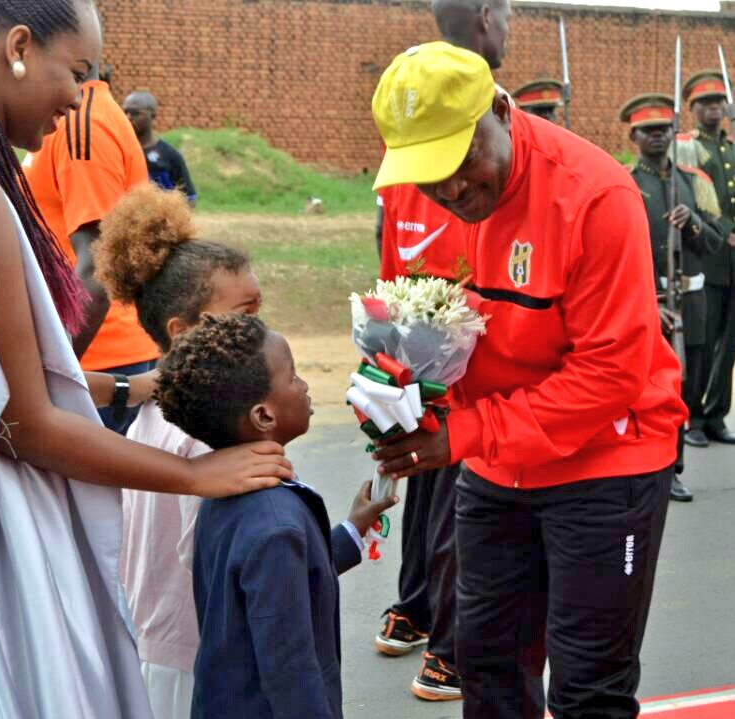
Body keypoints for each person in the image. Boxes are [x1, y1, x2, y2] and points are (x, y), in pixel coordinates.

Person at [0, 2, 292, 716]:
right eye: (76, 71)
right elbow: (22, 426)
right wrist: (194, 475)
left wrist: (121, 390)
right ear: (19, 47)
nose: (78, 99)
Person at [371, 43, 686, 719]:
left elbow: (610, 374)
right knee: (486, 666)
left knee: (588, 684)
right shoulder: (408, 193)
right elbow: (408, 317)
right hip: (496, 464)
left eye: (462, 160)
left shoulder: (595, 194)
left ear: (500, 110)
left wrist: (463, 434)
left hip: (607, 457)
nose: (448, 189)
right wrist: (394, 395)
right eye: (427, 173)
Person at [154, 313, 398, 719]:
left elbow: (282, 580)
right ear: (264, 416)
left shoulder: (224, 493)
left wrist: (353, 530)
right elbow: (291, 671)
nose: (304, 386)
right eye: (293, 376)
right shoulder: (275, 523)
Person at [372, 0, 511, 703]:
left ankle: (413, 611)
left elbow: (388, 255)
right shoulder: (492, 127)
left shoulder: (408, 126)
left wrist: (388, 349)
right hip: (465, 349)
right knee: (456, 499)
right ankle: (448, 650)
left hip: (419, 341)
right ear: (488, 15)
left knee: (427, 490)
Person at [95, 182, 263, 719]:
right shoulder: (207, 432)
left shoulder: (153, 411)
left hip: (153, 644)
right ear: (184, 330)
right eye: (245, 314)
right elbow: (230, 562)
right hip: (198, 659)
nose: (261, 331)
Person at [24, 65, 159, 434]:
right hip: (92, 353)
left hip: (97, 356)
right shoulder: (76, 117)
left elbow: (97, 262)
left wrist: (56, 372)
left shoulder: (82, 125)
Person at [621, 93, 725, 502]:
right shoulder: (626, 183)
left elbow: (714, 243)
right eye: (648, 131)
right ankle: (647, 467)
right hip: (648, 304)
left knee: (684, 392)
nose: (658, 136)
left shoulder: (693, 181)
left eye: (663, 129)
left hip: (691, 305)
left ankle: (673, 467)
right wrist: (647, 302)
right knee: (647, 394)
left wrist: (693, 223)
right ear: (633, 137)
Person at [675, 71, 735, 447]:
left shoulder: (731, 149)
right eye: (705, 103)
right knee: (703, 341)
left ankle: (716, 415)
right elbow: (691, 200)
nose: (714, 109)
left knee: (728, 344)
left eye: (718, 102)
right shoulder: (686, 147)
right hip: (708, 256)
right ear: (692, 109)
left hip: (733, 262)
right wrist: (725, 229)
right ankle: (693, 418)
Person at [123, 90, 198, 205]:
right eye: (125, 112)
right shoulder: (120, 152)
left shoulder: (170, 156)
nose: (128, 117)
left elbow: (189, 199)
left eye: (135, 113)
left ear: (153, 115)